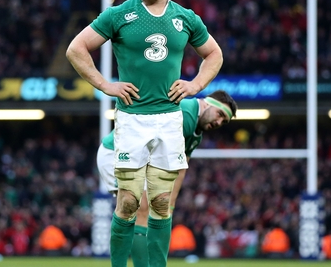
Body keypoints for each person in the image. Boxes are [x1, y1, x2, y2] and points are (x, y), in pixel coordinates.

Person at [67, 0, 223, 267]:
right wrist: (106, 85)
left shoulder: (185, 18)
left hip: (169, 118)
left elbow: (214, 54)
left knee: (162, 204)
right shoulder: (119, 15)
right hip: (132, 119)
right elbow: (76, 48)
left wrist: (194, 85)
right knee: (128, 202)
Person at [96, 91, 237, 266]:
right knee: (140, 208)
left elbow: (181, 169)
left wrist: (170, 204)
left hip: (139, 157)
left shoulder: (195, 133)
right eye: (220, 114)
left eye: (224, 121)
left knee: (141, 210)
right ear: (208, 104)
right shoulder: (185, 114)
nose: (219, 122)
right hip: (117, 153)